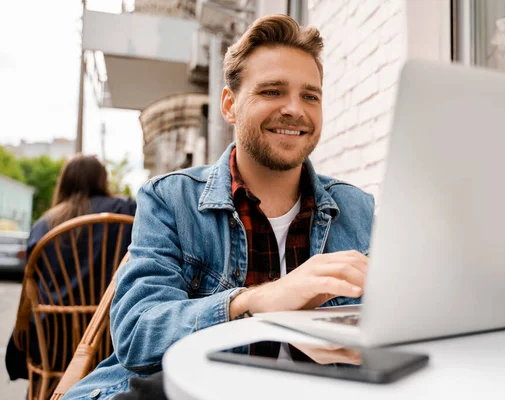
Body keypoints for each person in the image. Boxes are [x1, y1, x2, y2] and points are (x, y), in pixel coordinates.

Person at [62, 14, 374, 400]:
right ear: (229, 105)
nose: (295, 109)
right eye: (272, 91)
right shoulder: (170, 200)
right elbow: (137, 334)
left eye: (310, 96)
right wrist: (255, 302)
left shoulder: (359, 209)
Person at [5, 155, 136, 386]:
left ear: (64, 182)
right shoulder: (127, 210)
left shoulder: (45, 224)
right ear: (102, 179)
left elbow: (30, 288)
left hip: (54, 344)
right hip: (111, 338)